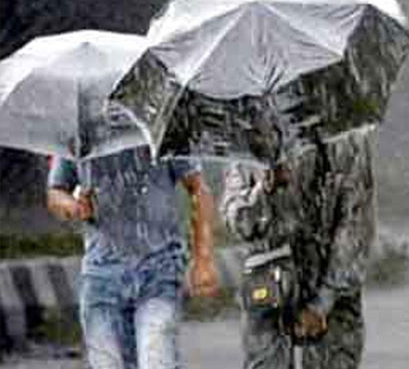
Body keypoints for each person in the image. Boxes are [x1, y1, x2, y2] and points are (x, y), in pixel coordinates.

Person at [220, 100, 376, 369]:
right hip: (268, 288)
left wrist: (322, 303)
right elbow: (238, 222)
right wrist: (263, 190)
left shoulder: (345, 137)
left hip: (332, 290)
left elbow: (356, 226)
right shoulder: (247, 139)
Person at [46, 138, 220, 368]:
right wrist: (73, 207)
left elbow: (198, 188)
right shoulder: (79, 136)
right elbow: (56, 192)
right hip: (102, 277)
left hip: (159, 270)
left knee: (156, 358)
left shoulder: (158, 132)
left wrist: (203, 258)